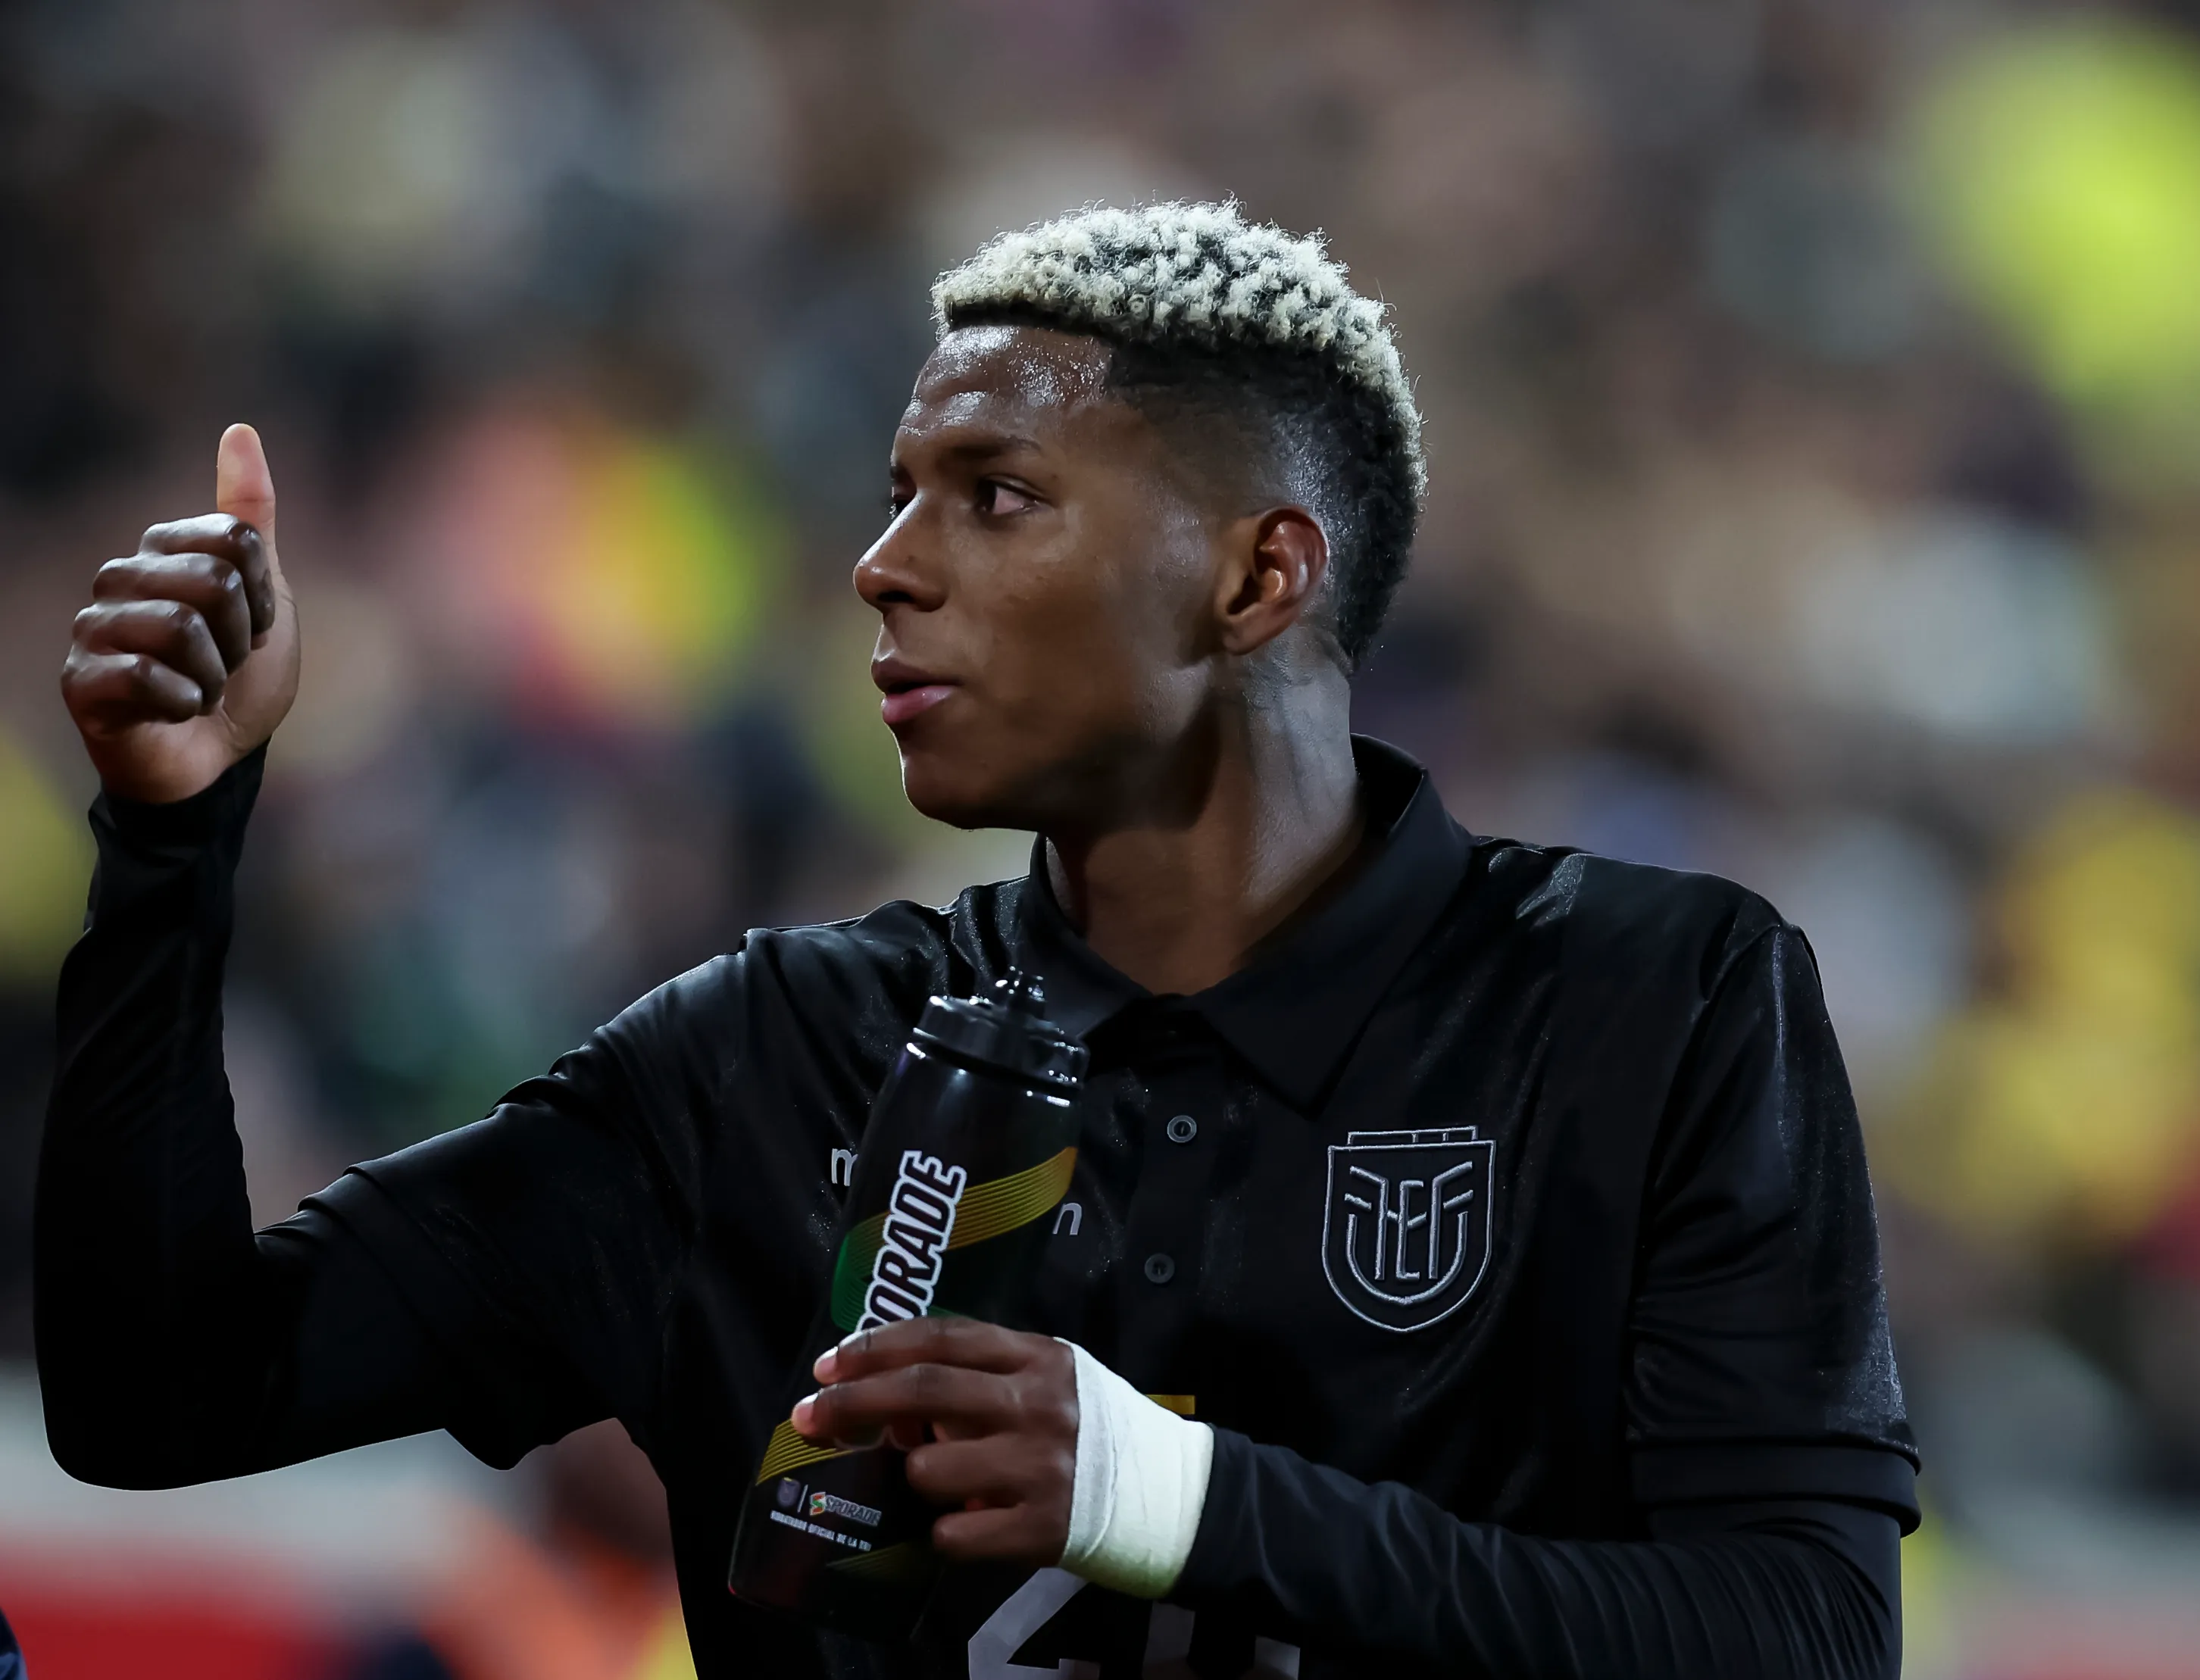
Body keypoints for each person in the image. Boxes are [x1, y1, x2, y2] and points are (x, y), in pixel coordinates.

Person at [42, 201, 1918, 1678]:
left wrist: (1168, 1495)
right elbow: (157, 1398)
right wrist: (171, 836)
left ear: (1257, 575)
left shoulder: (1650, 1000)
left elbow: (1805, 1639)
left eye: (995, 495)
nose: (884, 561)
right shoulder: (764, 1055)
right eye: (894, 494)